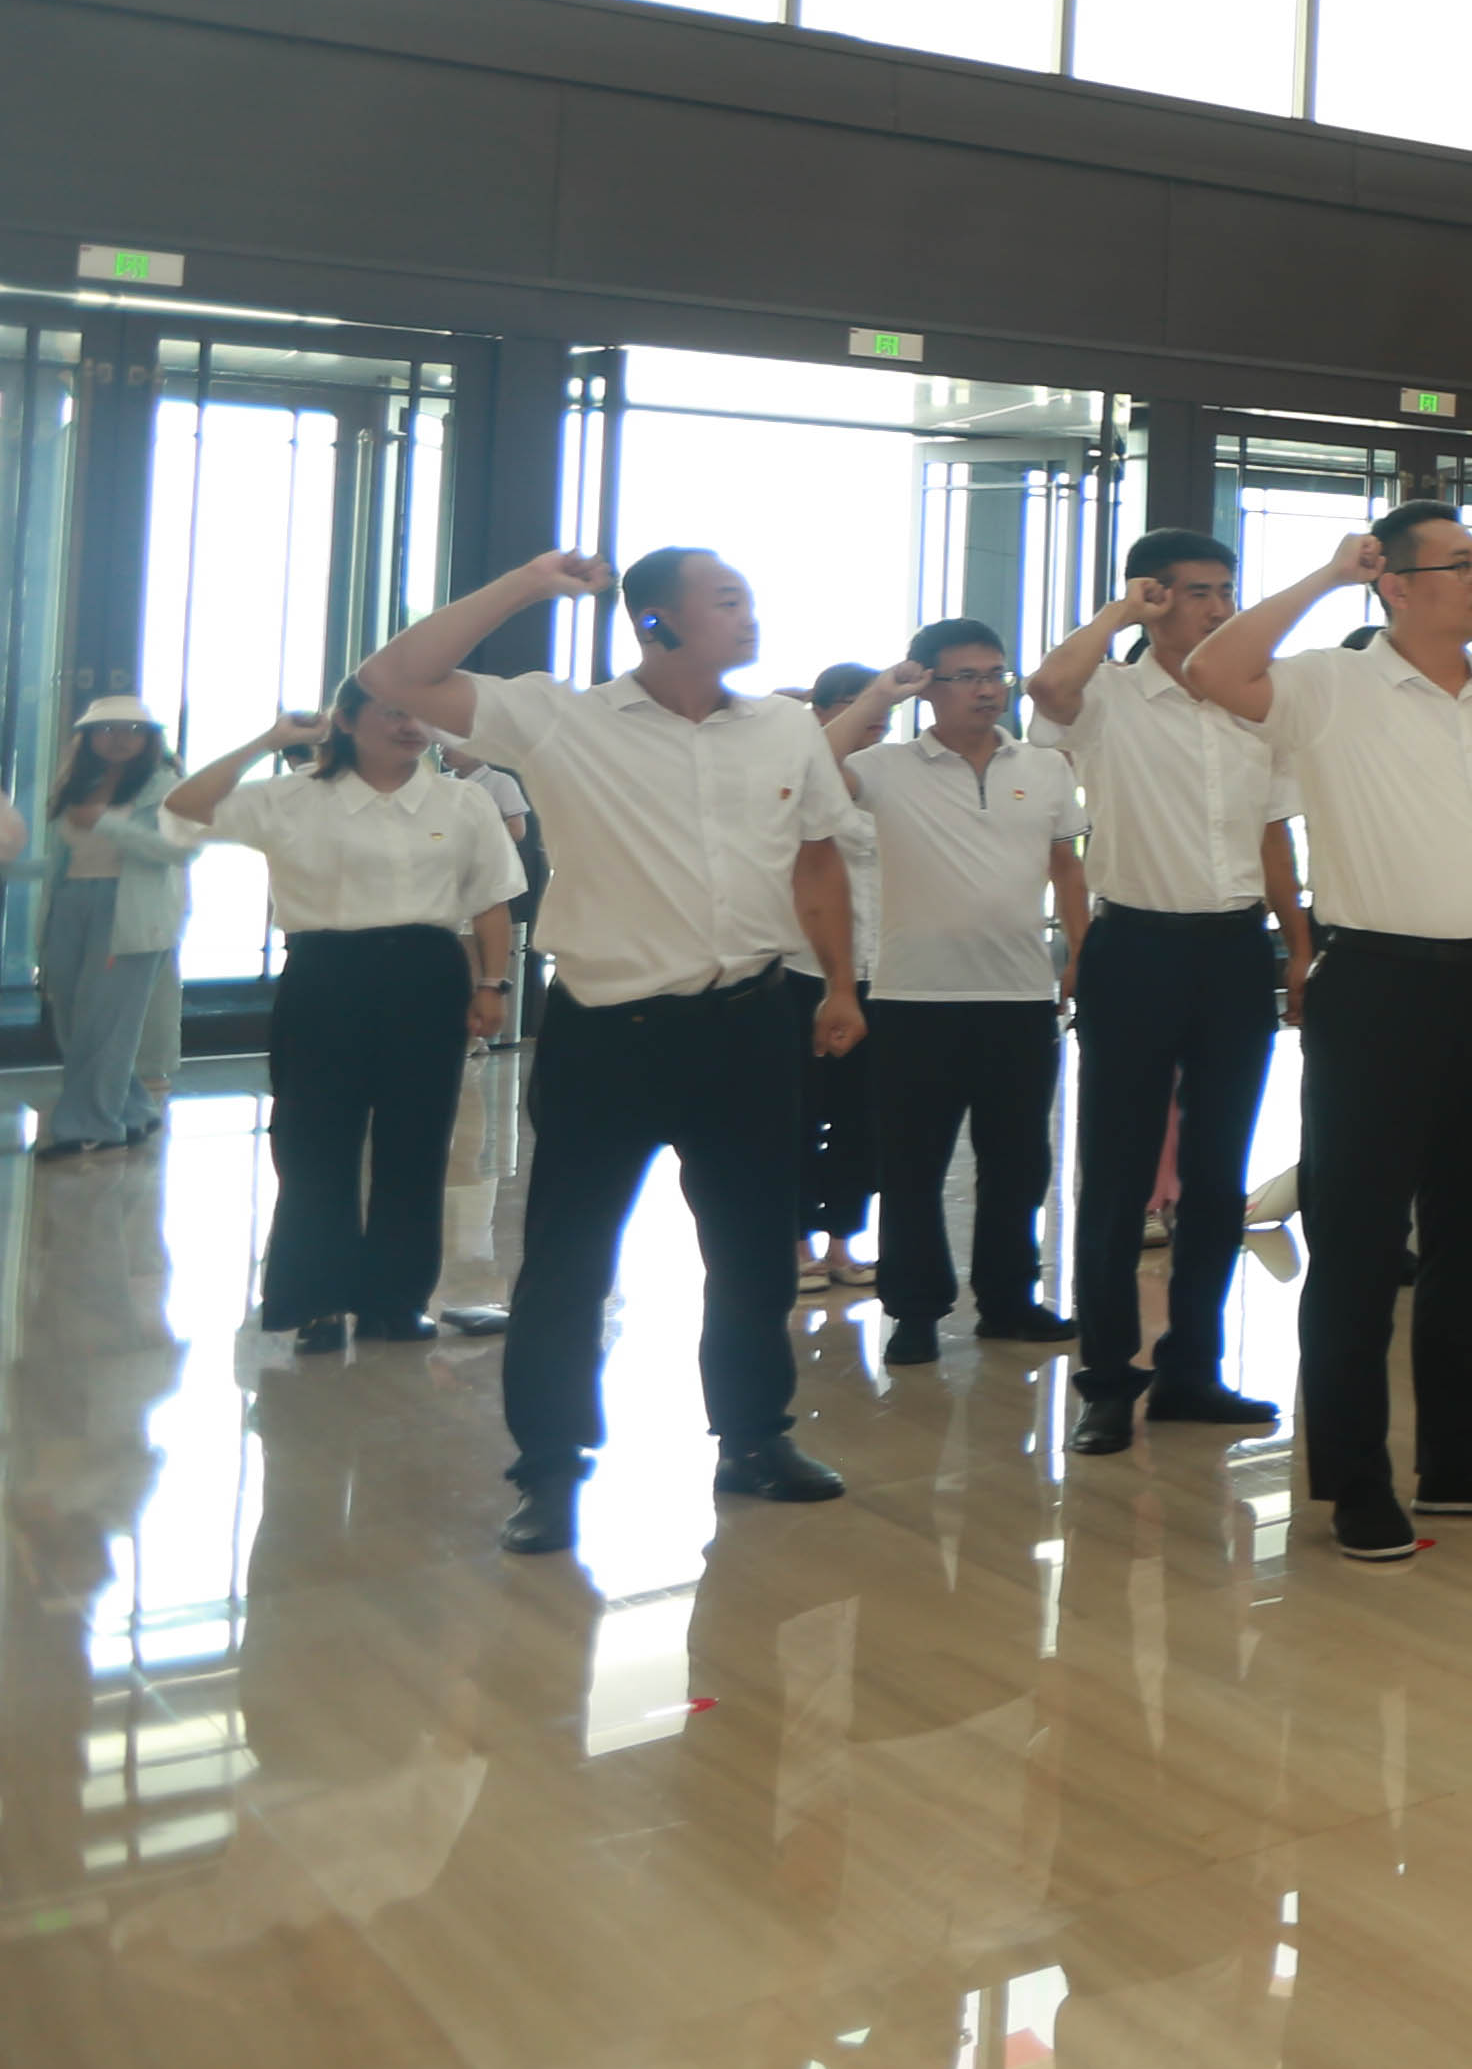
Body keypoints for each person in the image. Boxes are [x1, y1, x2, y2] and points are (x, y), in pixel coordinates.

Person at [355, 544, 868, 1556]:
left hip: (750, 1022)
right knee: (569, 1260)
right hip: (610, 1032)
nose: (748, 615)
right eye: (726, 600)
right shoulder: (561, 719)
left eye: (748, 598)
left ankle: (754, 1438)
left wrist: (842, 983)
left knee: (753, 1251)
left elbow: (817, 860)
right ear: (656, 621)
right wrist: (525, 584)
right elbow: (394, 676)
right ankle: (549, 1470)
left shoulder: (783, 729)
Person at [1183, 505, 1472, 1560]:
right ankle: (1356, 1480)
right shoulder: (1330, 684)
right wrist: (1326, 576)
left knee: (1471, 1234)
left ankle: (1459, 1463)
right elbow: (1214, 670)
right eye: (1460, 565)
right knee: (1360, 1241)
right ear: (1395, 584)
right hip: (1382, 986)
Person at [1026, 534, 1306, 1456]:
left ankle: (1193, 1371)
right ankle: (1107, 1380)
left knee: (1219, 1176)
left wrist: (1298, 947)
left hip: (1235, 951)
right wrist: (1118, 615)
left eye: (1228, 590)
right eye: (1196, 592)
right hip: (1135, 946)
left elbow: (1273, 836)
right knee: (1116, 1175)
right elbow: (1047, 688)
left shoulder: (1255, 701)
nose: (1219, 608)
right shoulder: (1109, 695)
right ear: (1152, 597)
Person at [157, 685, 519, 1345]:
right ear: (345, 720)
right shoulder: (293, 795)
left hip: (427, 974)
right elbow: (183, 808)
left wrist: (493, 984)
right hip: (327, 974)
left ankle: (395, 1302)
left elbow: (492, 899)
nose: (411, 726)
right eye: (394, 711)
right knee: (313, 1141)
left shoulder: (462, 801)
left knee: (417, 1143)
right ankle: (315, 1302)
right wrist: (268, 741)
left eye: (420, 715)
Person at [819, 621, 1087, 1367]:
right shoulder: (885, 767)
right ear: (927, 685)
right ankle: (914, 1311)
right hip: (914, 1001)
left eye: (995, 673)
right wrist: (878, 693)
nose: (986, 689)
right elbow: (808, 765)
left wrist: (1081, 952)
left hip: (1020, 999)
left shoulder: (1045, 768)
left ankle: (1009, 1301)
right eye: (966, 676)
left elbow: (1068, 866)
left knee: (1019, 1165)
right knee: (911, 1167)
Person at [28, 697, 184, 1154]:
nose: (118, 739)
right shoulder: (79, 783)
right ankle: (133, 1110)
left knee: (106, 1022)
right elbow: (63, 855)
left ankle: (88, 1127)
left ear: (149, 738)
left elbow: (175, 850)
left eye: (132, 730)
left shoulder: (167, 786)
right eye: (107, 729)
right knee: (73, 1020)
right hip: (71, 902)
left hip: (128, 908)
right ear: (88, 737)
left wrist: (105, 824)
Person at [795, 662, 891, 1283]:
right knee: (799, 1113)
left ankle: (842, 1243)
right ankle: (796, 1243)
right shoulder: (799, 772)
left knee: (863, 1118)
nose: (874, 716)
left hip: (880, 970)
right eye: (856, 704)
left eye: (880, 706)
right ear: (824, 710)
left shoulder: (893, 776)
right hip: (804, 969)